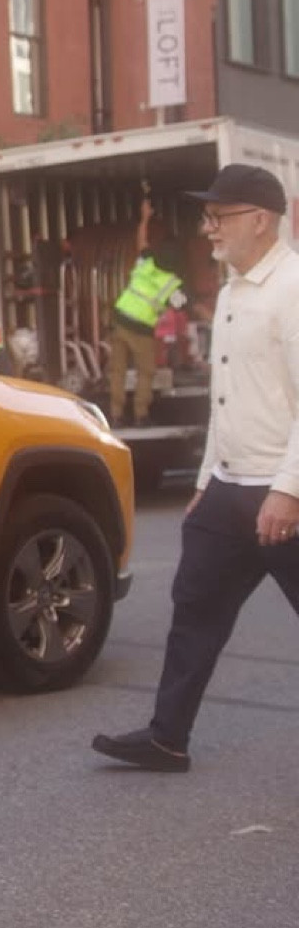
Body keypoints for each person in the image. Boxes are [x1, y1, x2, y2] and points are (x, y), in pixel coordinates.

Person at [93, 164, 299, 772]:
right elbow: (227, 398)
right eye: (208, 216)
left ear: (260, 221)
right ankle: (167, 737)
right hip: (230, 490)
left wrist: (287, 492)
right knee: (194, 611)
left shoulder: (292, 288)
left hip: (281, 493)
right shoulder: (235, 291)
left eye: (219, 216)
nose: (208, 228)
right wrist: (209, 477)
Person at [107, 196, 185, 427]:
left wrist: (144, 217)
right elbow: (182, 306)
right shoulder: (172, 284)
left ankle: (116, 414)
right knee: (146, 372)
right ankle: (141, 414)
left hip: (119, 320)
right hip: (140, 330)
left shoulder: (146, 262)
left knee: (117, 371)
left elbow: (141, 240)